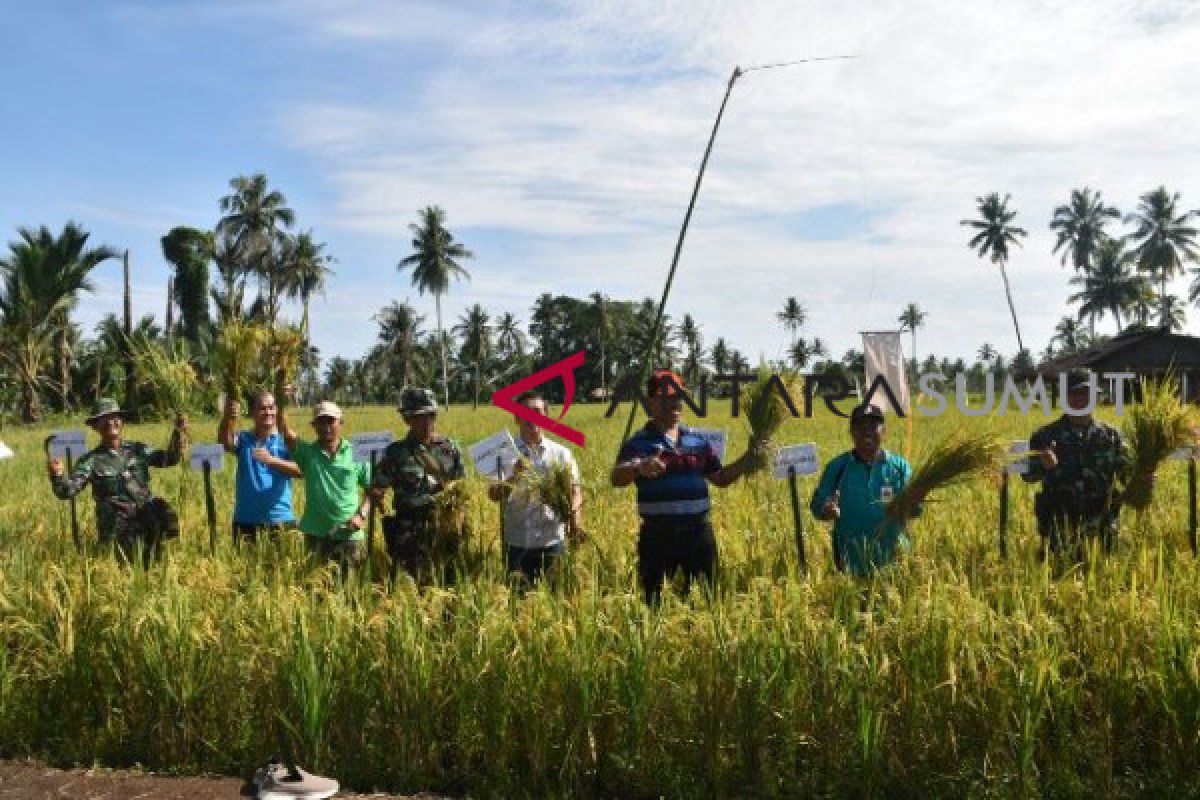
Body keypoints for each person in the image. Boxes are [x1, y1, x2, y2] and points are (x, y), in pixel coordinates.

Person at [611, 369, 756, 604]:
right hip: (658, 536)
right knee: (654, 603)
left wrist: (747, 460)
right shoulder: (637, 443)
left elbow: (719, 478)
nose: (675, 403)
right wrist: (639, 467)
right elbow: (616, 478)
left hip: (698, 535)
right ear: (651, 403)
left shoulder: (698, 441)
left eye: (679, 397)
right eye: (667, 397)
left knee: (707, 600)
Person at [46, 398, 185, 568]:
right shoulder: (90, 461)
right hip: (118, 530)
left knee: (157, 567)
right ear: (95, 426)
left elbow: (170, 459)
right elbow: (66, 492)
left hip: (148, 522)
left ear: (122, 422)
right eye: (104, 418)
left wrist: (179, 432)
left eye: (115, 417)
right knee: (129, 570)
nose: (111, 422)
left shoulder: (138, 450)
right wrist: (58, 475)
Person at [1023, 369, 1134, 560]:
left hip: (1103, 528)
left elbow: (1126, 477)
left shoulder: (1112, 436)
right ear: (1064, 398)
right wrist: (1044, 465)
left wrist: (1143, 479)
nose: (1080, 399)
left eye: (1086, 393)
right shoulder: (1045, 436)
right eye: (1074, 393)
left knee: (1105, 582)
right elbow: (1028, 476)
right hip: (1059, 528)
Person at [810, 402, 923, 576]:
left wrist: (915, 501)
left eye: (873, 425)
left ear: (884, 431)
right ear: (851, 432)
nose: (866, 431)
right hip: (850, 562)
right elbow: (817, 507)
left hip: (894, 561)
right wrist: (826, 510)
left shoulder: (899, 467)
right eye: (860, 426)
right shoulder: (837, 467)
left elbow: (915, 511)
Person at [487, 391, 583, 583]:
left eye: (537, 411)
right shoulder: (502, 453)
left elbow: (575, 492)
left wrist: (575, 520)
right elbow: (494, 495)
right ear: (516, 418)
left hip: (553, 541)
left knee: (557, 599)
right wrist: (514, 476)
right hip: (517, 543)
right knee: (518, 602)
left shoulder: (561, 454)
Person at [372, 387, 466, 582]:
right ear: (407, 419)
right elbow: (378, 486)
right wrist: (375, 495)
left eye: (431, 415)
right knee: (410, 586)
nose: (427, 422)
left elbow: (461, 489)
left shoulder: (449, 449)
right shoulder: (395, 453)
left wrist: (460, 521)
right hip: (408, 532)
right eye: (419, 417)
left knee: (447, 583)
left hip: (443, 528)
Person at [279, 400, 372, 571]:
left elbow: (371, 490)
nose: (326, 426)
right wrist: (281, 398)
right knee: (317, 589)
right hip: (316, 534)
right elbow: (284, 431)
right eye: (321, 421)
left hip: (349, 534)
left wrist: (361, 515)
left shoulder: (355, 452)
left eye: (331, 420)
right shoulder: (307, 453)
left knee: (350, 590)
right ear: (313, 425)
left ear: (340, 423)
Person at [218, 390, 297, 546]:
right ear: (252, 413)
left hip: (280, 520)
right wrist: (228, 416)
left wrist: (272, 461)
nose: (268, 412)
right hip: (245, 520)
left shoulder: (286, 440)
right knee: (243, 569)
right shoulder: (243, 438)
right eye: (262, 408)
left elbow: (301, 470)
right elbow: (225, 443)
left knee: (280, 570)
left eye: (271, 407)